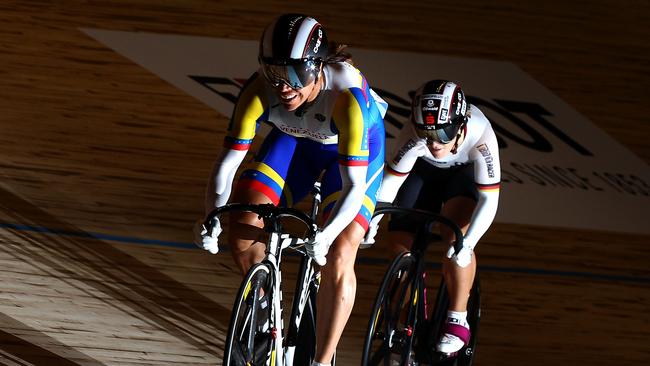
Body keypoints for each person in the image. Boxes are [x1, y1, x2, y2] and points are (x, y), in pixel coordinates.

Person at [195, 13, 387, 366]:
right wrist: (212, 217)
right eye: (273, 73)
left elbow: (354, 187)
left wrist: (326, 238)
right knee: (241, 225)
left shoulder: (348, 100)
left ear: (316, 68)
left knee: (341, 254)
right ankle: (264, 302)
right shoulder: (258, 91)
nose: (282, 86)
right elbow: (226, 165)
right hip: (293, 143)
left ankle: (323, 359)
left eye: (293, 74)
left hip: (346, 157)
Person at [365, 79, 500, 354]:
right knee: (399, 244)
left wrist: (469, 242)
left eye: (443, 134)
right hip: (422, 172)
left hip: (461, 176)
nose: (435, 143)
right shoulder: (413, 135)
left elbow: (489, 199)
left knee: (456, 240)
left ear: (461, 126)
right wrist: (373, 221)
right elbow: (390, 185)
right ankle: (410, 300)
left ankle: (457, 316)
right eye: (427, 134)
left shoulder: (481, 134)